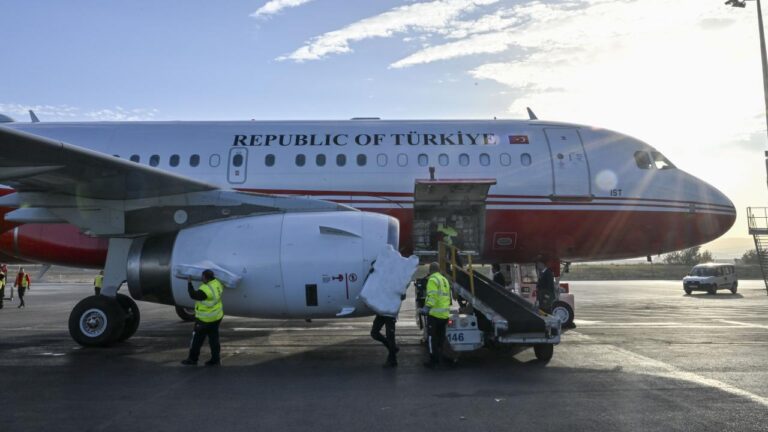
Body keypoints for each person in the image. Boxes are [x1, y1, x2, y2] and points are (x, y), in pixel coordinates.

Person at [181, 269, 224, 366]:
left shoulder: (205, 289)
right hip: (216, 317)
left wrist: (189, 283)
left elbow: (193, 295)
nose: (201, 278)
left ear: (206, 278)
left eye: (202, 277)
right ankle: (215, 360)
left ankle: (192, 359)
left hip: (204, 320)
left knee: (197, 340)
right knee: (214, 340)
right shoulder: (217, 283)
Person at [421, 262, 452, 368]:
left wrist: (426, 308)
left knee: (431, 338)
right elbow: (448, 297)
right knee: (441, 338)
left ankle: (433, 361)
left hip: (434, 315)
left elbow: (432, 295)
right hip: (444, 315)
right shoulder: (444, 280)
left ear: (430, 270)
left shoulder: (432, 279)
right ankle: (442, 357)